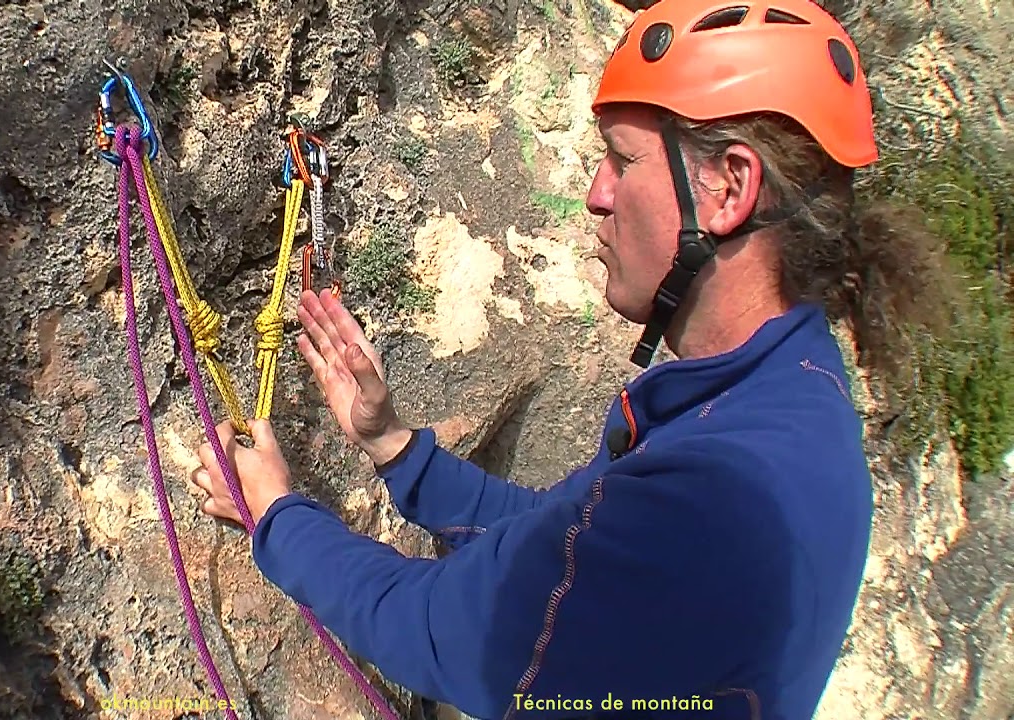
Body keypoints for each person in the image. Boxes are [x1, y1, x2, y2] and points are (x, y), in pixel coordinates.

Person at [189, 0, 948, 717]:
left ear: (730, 190)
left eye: (622, 160)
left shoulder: (714, 494)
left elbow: (439, 629)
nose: (595, 193)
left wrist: (275, 512)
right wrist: (392, 445)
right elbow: (561, 545)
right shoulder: (781, 403)